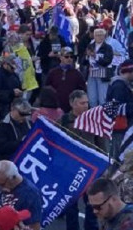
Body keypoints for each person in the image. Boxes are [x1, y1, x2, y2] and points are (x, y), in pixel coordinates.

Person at [62, 90, 105, 230]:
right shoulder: (62, 121)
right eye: (82, 103)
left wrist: (103, 166)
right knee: (71, 207)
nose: (86, 105)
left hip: (90, 169)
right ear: (72, 104)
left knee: (92, 204)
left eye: (87, 102)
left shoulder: (93, 120)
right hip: (70, 169)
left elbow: (101, 145)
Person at [0, 160, 42, 230]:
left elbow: (35, 226)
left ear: (12, 178)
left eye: (1, 184)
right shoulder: (0, 182)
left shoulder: (31, 194)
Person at [45, 47, 87, 112]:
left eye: (71, 57)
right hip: (56, 108)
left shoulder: (77, 74)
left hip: (72, 109)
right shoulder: (53, 72)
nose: (69, 59)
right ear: (61, 57)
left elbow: (83, 90)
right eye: (66, 56)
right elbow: (47, 89)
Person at [106, 60, 133, 158]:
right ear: (130, 71)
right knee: (118, 156)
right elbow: (116, 108)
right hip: (119, 128)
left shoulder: (124, 84)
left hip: (123, 128)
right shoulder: (119, 86)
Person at [86, 28, 114, 107]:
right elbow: (84, 61)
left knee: (103, 98)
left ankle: (103, 115)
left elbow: (107, 61)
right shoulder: (90, 46)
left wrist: (95, 56)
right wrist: (86, 56)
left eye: (102, 35)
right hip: (91, 73)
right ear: (94, 36)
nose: (100, 37)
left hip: (103, 74)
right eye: (98, 35)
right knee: (92, 98)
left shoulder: (108, 47)